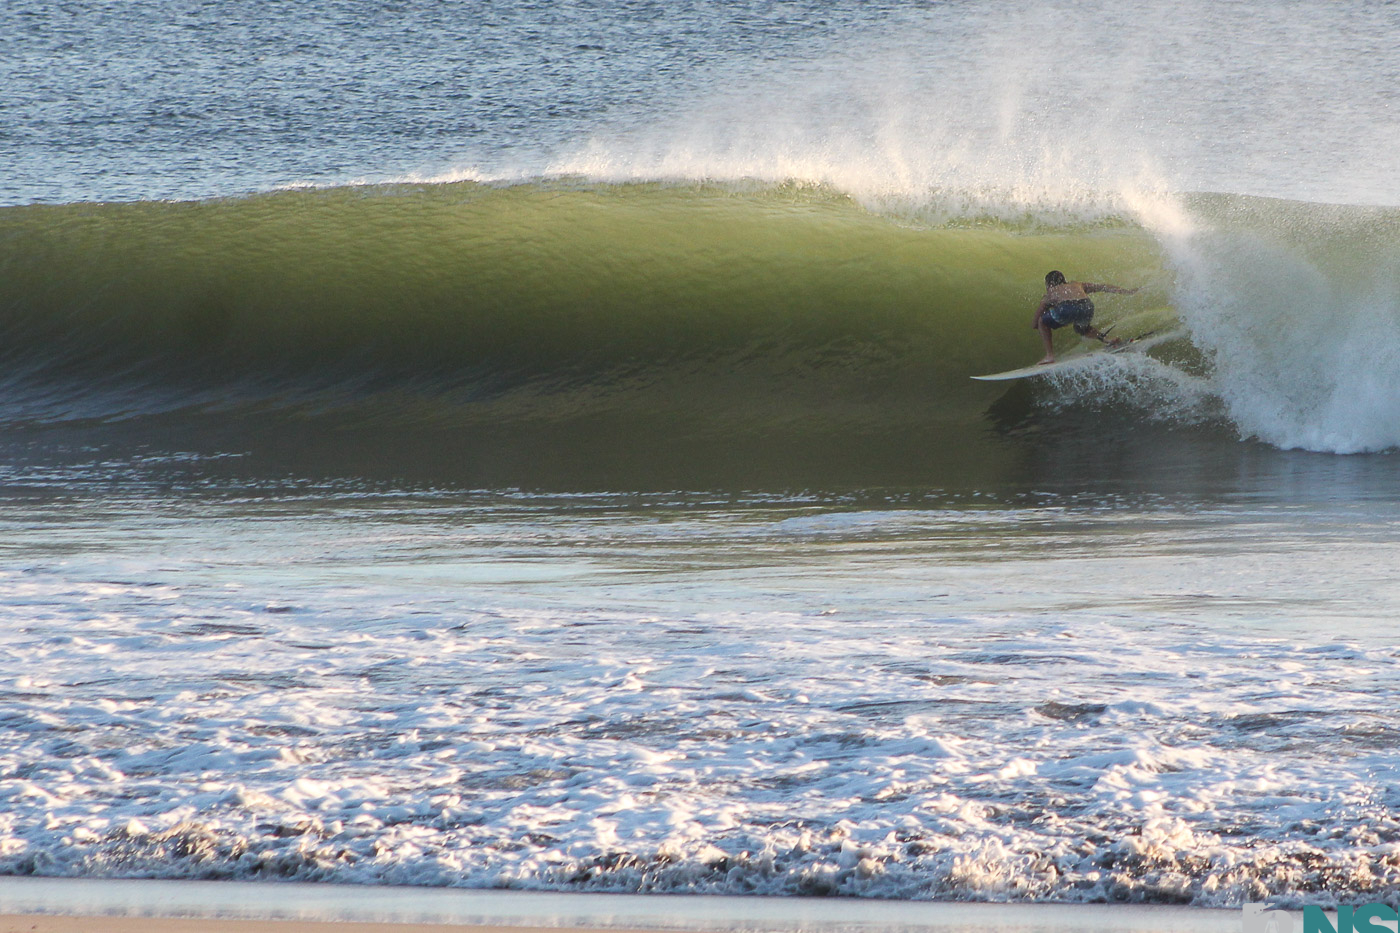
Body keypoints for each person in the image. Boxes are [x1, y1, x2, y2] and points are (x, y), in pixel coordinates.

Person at [1031, 271, 1140, 364]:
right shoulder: (1077, 284)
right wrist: (1126, 291)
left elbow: (1035, 323)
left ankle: (1049, 355)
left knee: (1042, 322)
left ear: (1048, 284)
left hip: (1066, 308)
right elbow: (1102, 287)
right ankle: (1109, 340)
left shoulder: (1050, 293)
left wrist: (1053, 312)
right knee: (1081, 328)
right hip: (1087, 306)